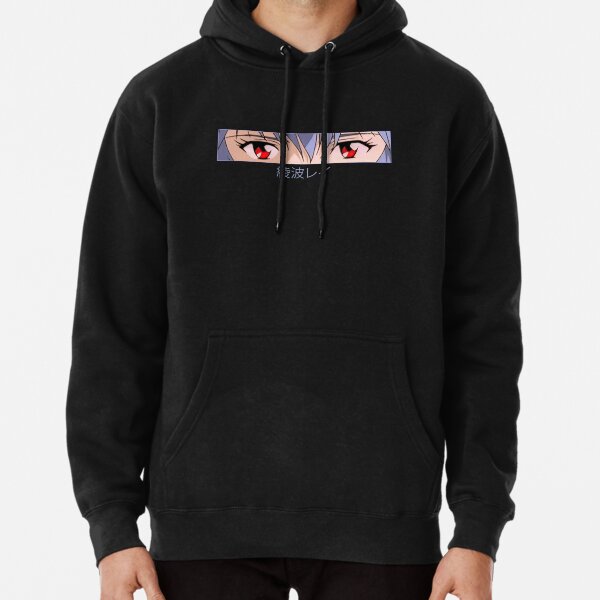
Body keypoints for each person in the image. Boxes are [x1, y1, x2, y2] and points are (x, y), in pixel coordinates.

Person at [66, 0, 522, 598]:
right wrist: (112, 523)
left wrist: (477, 528)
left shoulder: (446, 100)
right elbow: (114, 323)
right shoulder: (161, 100)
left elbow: (483, 331)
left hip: (384, 523)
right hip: (203, 525)